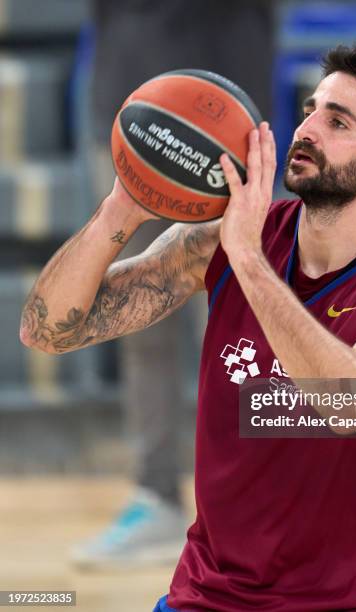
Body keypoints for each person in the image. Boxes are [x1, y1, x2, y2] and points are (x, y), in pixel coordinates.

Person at [20, 44, 356, 610]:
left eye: (337, 121)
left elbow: (349, 408)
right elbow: (49, 330)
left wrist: (250, 262)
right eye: (310, 108)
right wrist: (123, 207)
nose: (306, 129)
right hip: (214, 594)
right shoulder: (223, 240)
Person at [75, 0, 274, 567]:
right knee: (140, 321)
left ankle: (258, 504)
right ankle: (156, 496)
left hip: (232, 136)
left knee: (247, 327)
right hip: (131, 124)